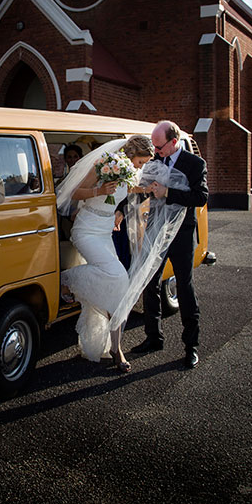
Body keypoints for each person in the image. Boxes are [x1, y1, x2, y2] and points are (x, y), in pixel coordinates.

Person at [58, 135, 157, 372]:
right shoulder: (104, 163)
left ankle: (116, 347)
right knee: (118, 276)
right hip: (86, 230)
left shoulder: (126, 169)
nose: (140, 167)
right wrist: (99, 190)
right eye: (140, 162)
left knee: (118, 289)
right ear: (132, 155)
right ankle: (65, 279)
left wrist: (146, 189)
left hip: (105, 232)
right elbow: (74, 192)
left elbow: (126, 188)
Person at [131, 120, 209, 369]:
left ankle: (191, 347)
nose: (155, 151)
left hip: (182, 234)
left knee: (184, 287)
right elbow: (144, 191)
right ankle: (153, 338)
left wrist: (168, 193)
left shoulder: (195, 164)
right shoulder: (155, 162)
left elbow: (201, 197)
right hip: (156, 230)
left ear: (174, 142)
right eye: (153, 146)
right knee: (149, 282)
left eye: (159, 146)